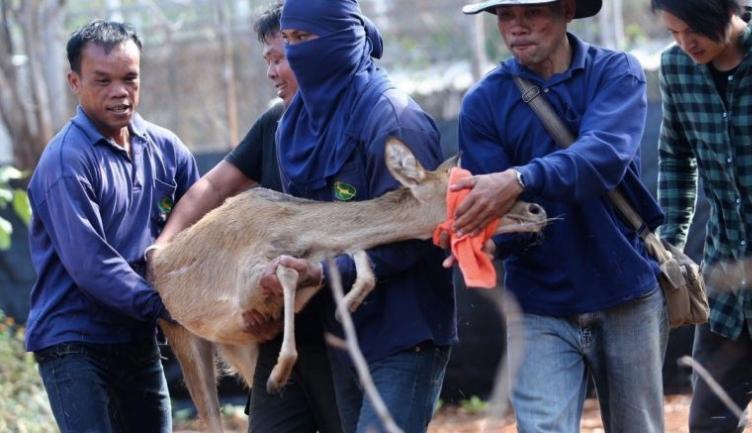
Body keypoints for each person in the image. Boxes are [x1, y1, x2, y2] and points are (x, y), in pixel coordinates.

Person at [454, 1, 669, 432]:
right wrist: (483, 241)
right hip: (539, 304)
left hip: (624, 292)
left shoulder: (615, 73)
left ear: (567, 10)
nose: (516, 27)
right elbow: (502, 212)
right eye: (505, 16)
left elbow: (602, 158)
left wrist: (519, 178)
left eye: (530, 13)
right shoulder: (483, 103)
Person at [257, 1, 457, 432]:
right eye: (288, 41)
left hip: (405, 333)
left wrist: (322, 271)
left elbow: (417, 234)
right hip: (343, 335)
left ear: (344, 37)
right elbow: (304, 223)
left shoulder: (392, 120)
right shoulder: (294, 125)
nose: (294, 54)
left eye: (306, 39)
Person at [150, 4, 342, 433]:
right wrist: (163, 248)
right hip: (280, 338)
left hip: (342, 330)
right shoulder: (275, 122)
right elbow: (213, 187)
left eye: (282, 57)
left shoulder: (358, 121)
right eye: (268, 60)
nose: (273, 71)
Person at [24, 20, 199, 433]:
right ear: (74, 81)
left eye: (129, 79)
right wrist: (170, 305)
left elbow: (201, 211)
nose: (119, 92)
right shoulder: (67, 162)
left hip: (137, 339)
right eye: (102, 81)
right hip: (75, 344)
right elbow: (93, 265)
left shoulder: (165, 148)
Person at [651, 1, 752, 431]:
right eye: (673, 33)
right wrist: (671, 245)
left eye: (691, 30)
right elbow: (676, 159)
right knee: (710, 422)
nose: (684, 43)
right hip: (730, 289)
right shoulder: (676, 68)